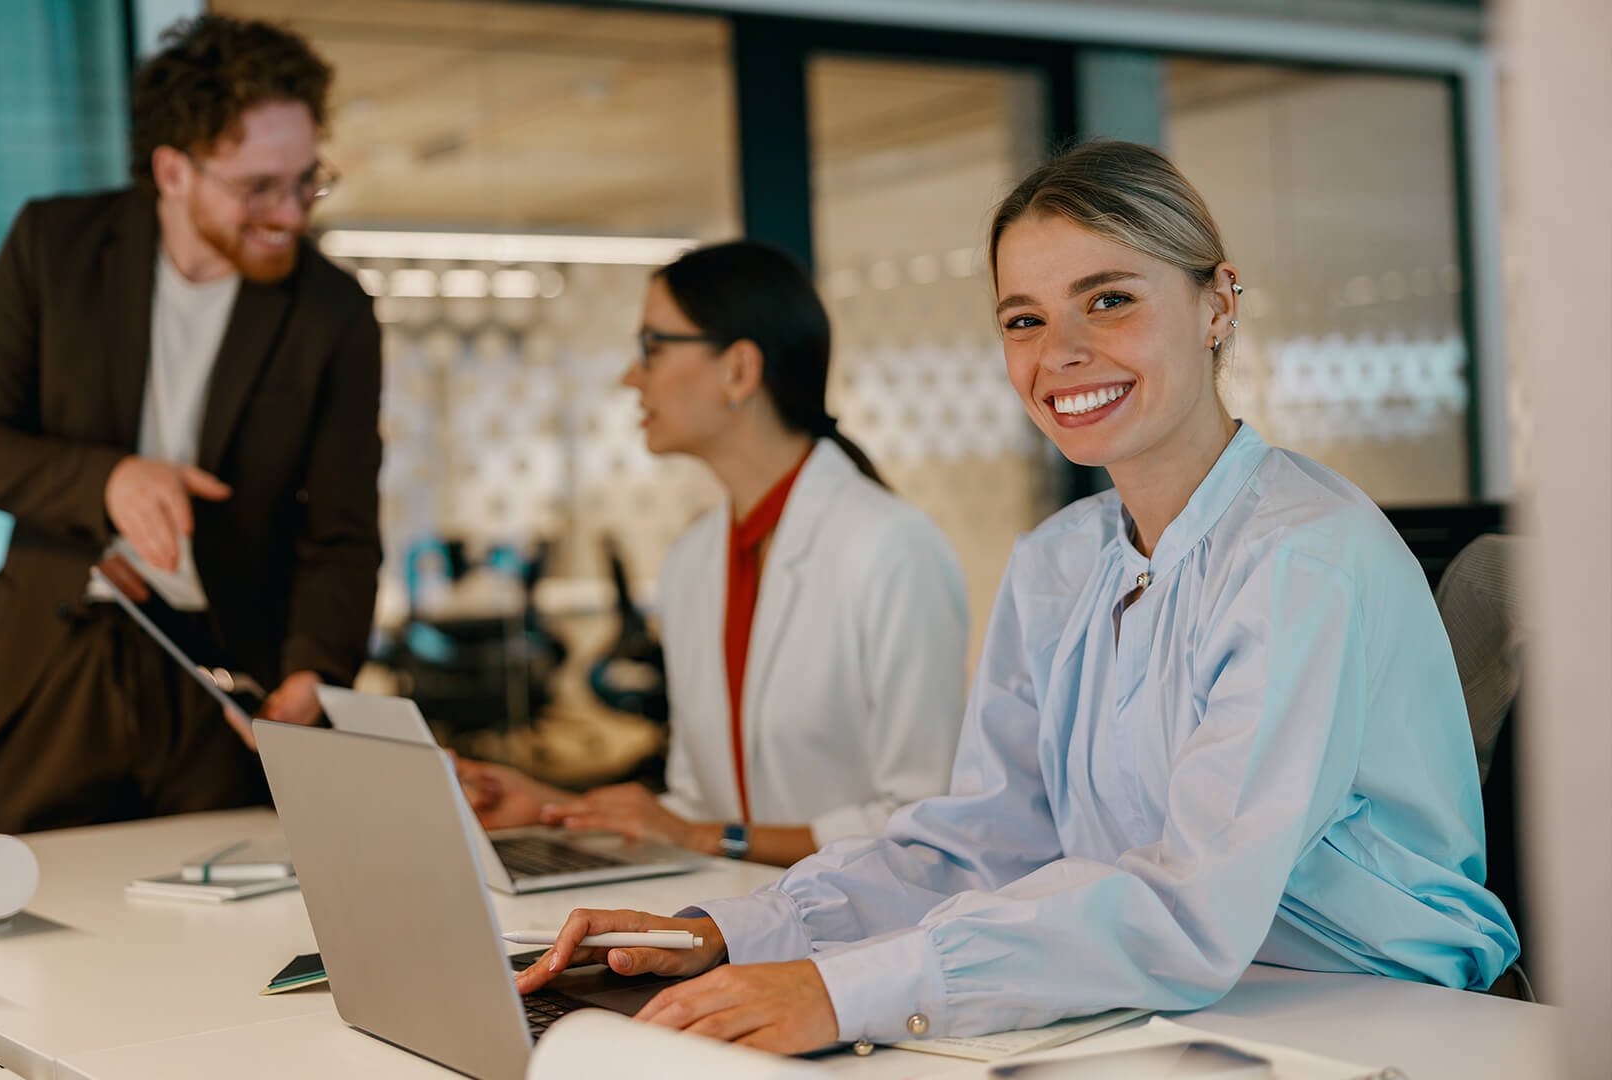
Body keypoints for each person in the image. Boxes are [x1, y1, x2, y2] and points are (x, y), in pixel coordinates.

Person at [515, 142, 1521, 1051]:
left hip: (1379, 1020)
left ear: (1218, 303)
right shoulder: (1058, 562)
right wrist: (724, 932)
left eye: (1110, 299)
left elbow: (1191, 903)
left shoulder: (1304, 559)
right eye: (1024, 320)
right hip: (1159, 1001)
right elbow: (981, 846)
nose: (1061, 352)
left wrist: (842, 991)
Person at [0, 16, 382, 834]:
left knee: (231, 949)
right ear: (174, 170)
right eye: (258, 188)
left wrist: (314, 667)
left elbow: (343, 532)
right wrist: (110, 477)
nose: (290, 214)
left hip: (230, 691)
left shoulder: (335, 313)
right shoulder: (54, 247)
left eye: (305, 180)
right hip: (58, 669)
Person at [453, 241, 969, 867]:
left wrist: (705, 836)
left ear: (739, 371)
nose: (629, 377)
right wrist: (547, 808)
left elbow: (925, 821)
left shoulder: (891, 549)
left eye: (653, 347)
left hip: (870, 941)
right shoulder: (695, 560)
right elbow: (695, 814)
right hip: (741, 923)